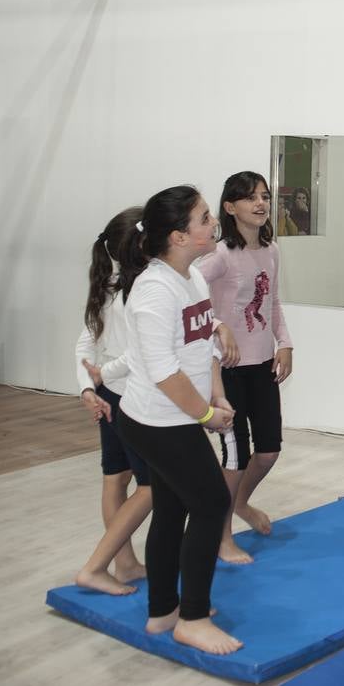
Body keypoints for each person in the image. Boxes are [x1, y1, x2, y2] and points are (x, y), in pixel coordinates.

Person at [114, 185, 242, 656]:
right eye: (204, 218)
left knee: (172, 508)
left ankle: (163, 611)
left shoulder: (191, 278)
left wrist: (216, 393)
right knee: (211, 504)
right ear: (179, 236)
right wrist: (206, 415)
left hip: (176, 417)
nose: (213, 223)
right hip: (156, 422)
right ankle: (192, 619)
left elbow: (200, 343)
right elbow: (164, 372)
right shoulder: (154, 289)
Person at [197, 171, 294, 564]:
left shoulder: (271, 251)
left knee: (268, 451)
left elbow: (272, 302)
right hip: (229, 369)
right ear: (230, 206)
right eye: (251, 197)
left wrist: (284, 343)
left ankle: (239, 503)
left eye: (265, 197)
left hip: (262, 364)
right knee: (235, 457)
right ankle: (222, 537)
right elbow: (189, 298)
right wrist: (218, 326)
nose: (260, 204)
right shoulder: (219, 255)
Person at [72, 206, 152, 596]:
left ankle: (125, 563)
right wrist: (97, 381)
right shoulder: (128, 292)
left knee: (116, 479)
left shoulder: (110, 286)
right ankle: (100, 565)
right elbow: (136, 353)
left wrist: (88, 389)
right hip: (128, 399)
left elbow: (85, 348)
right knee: (152, 485)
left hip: (112, 395)